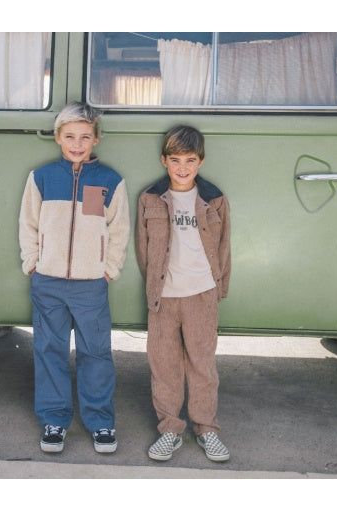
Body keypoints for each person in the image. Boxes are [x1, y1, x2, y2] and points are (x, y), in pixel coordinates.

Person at [18, 102, 130, 454]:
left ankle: (100, 422)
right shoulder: (42, 178)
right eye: (70, 136)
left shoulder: (110, 181)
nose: (77, 144)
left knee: (95, 353)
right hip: (48, 282)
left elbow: (118, 230)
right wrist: (32, 263)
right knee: (49, 350)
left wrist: (109, 269)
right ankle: (54, 419)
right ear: (58, 138)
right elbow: (28, 224)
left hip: (90, 284)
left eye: (84, 136)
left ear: (96, 139)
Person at [135, 125, 231, 462]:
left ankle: (206, 428)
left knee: (202, 364)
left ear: (200, 162)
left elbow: (224, 247)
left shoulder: (214, 199)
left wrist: (219, 288)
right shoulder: (150, 199)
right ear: (164, 161)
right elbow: (143, 250)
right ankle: (170, 429)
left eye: (190, 160)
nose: (182, 167)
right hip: (164, 297)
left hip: (202, 293)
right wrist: (154, 287)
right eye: (175, 160)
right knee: (164, 365)